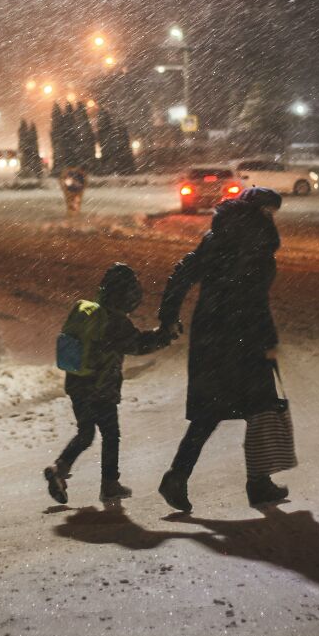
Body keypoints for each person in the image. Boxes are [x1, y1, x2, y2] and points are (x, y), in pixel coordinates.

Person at [157, 186, 289, 511]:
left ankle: (180, 476)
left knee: (217, 409)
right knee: (256, 406)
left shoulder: (217, 238)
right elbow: (254, 298)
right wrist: (268, 339)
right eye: (269, 212)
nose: (271, 218)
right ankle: (255, 483)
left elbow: (183, 273)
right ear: (258, 211)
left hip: (214, 332)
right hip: (243, 334)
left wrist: (169, 315)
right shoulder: (256, 241)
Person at [44, 263, 178, 505]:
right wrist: (165, 335)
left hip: (77, 384)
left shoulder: (90, 312)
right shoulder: (115, 322)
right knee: (111, 435)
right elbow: (138, 345)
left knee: (85, 433)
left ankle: (59, 469)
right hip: (100, 388)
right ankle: (110, 485)